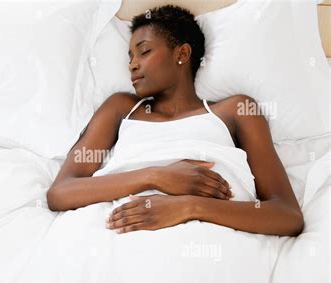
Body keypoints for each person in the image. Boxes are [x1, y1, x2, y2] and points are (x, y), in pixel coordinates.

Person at [47, 5, 303, 237]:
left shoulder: (235, 110)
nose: (133, 65)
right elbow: (61, 192)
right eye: (130, 57)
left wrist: (189, 206)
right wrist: (156, 176)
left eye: (144, 51)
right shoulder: (121, 108)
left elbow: (287, 215)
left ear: (182, 54)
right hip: (120, 233)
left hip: (211, 239)